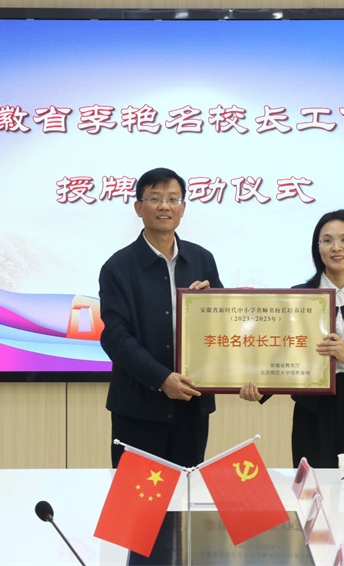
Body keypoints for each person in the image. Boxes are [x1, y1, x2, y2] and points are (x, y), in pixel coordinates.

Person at [240, 209, 344, 468]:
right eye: (327, 240)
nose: (336, 247)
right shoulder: (299, 295)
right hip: (313, 408)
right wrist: (259, 388)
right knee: (313, 486)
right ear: (318, 247)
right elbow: (282, 351)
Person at [99, 167, 222, 468]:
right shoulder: (118, 267)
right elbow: (115, 337)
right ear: (139, 207)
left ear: (183, 207)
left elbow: (222, 325)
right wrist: (161, 378)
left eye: (173, 199)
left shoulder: (202, 259)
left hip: (191, 406)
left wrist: (216, 304)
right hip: (138, 409)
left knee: (186, 493)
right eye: (154, 198)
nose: (164, 206)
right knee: (137, 495)